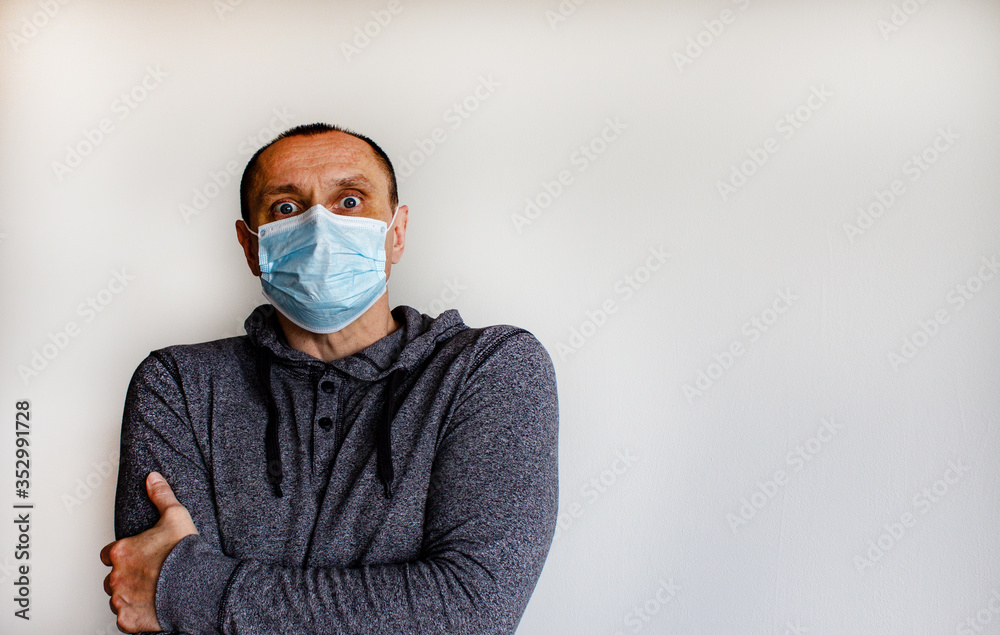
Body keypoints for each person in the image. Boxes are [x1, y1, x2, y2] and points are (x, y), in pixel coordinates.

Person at [100, 123, 559, 634]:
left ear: (397, 233)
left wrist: (191, 588)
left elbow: (474, 610)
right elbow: (152, 608)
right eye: (287, 208)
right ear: (251, 247)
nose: (321, 230)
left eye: (349, 201)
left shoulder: (488, 368)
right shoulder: (179, 385)